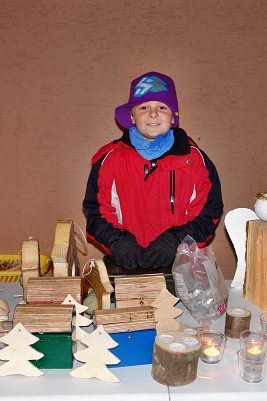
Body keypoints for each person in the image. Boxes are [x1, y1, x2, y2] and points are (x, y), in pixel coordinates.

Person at [83, 71, 223, 269]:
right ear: (132, 116)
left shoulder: (195, 160)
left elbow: (208, 212)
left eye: (162, 107)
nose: (153, 113)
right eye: (144, 107)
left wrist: (176, 240)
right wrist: (119, 242)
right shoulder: (109, 160)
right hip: (127, 264)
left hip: (181, 264)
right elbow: (96, 211)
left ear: (173, 117)